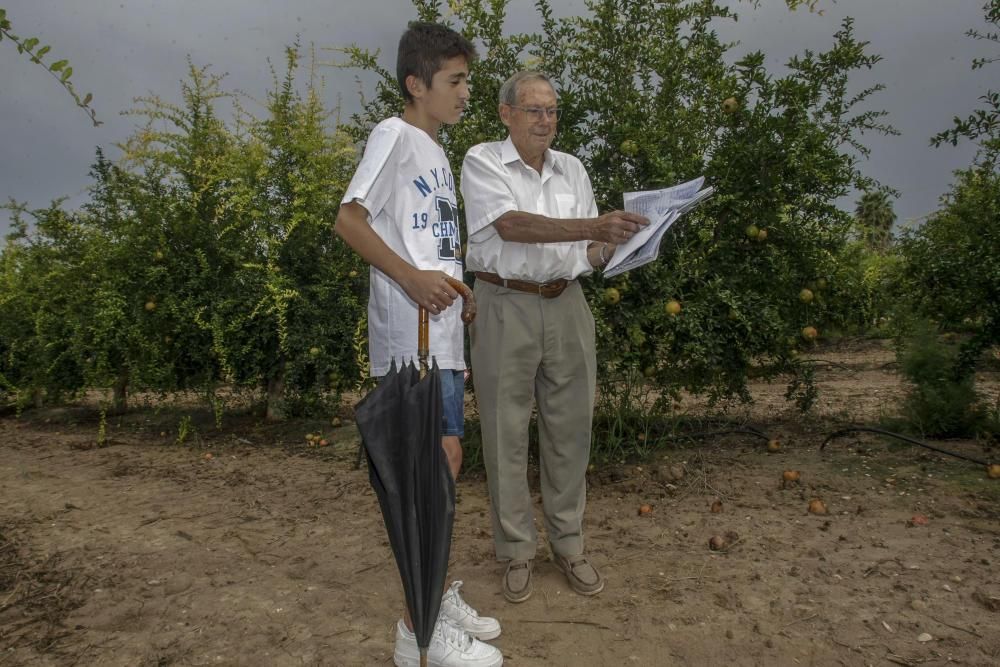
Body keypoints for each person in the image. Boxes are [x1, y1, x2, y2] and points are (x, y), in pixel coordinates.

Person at [335, 21, 503, 667]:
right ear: (416, 84)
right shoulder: (395, 136)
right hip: (414, 340)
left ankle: (434, 592)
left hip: (444, 335)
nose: (465, 93)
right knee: (432, 470)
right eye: (455, 81)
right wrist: (410, 278)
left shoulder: (434, 152)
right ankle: (418, 629)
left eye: (467, 80)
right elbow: (349, 219)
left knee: (446, 464)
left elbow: (425, 242)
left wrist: (458, 289)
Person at [460, 70, 649, 604]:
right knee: (506, 434)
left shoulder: (573, 169)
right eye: (533, 109)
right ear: (506, 114)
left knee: (571, 432)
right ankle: (517, 551)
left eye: (552, 110)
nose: (545, 120)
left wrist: (618, 245)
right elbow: (511, 225)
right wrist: (593, 227)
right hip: (503, 304)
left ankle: (569, 546)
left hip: (567, 304)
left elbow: (583, 254)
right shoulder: (483, 160)